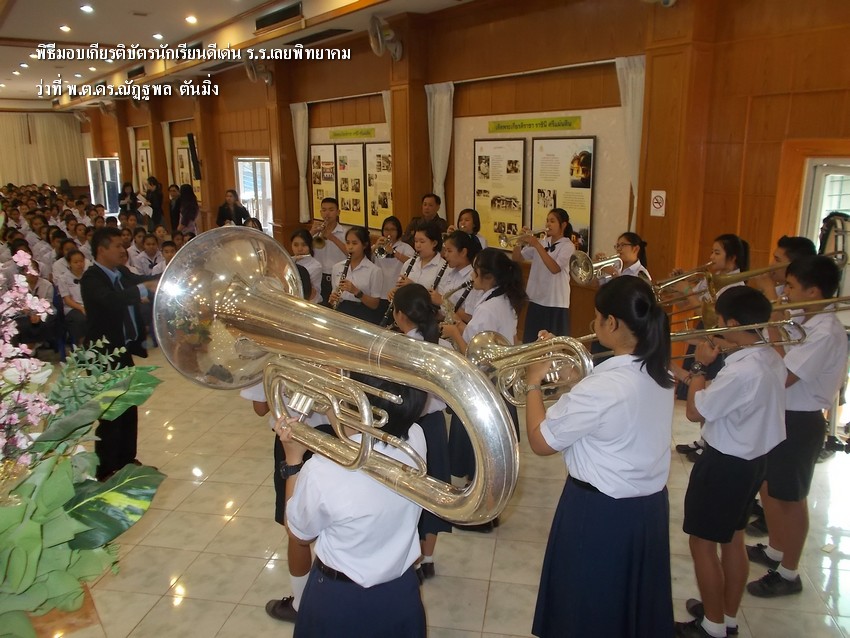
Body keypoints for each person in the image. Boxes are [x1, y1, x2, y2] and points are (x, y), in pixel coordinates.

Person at [524, 275, 674, 638]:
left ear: (613, 323)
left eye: (597, 316)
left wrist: (532, 382)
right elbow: (610, 412)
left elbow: (541, 442)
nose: (593, 323)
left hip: (599, 513)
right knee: (627, 613)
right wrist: (571, 375)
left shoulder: (603, 388)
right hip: (647, 511)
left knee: (586, 612)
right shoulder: (660, 372)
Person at [276, 377, 428, 638]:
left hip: (339, 599)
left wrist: (293, 460)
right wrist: (334, 407)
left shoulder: (322, 470)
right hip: (401, 591)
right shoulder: (415, 437)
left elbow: (298, 534)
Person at [676, 287, 786, 638]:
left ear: (734, 323)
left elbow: (694, 412)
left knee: (702, 543)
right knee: (733, 539)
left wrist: (698, 367)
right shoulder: (770, 355)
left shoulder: (741, 371)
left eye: (721, 322)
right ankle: (726, 617)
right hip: (753, 462)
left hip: (725, 464)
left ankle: (711, 627)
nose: (717, 328)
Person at [746, 255, 848, 598]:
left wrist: (775, 327)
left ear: (813, 291)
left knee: (791, 497)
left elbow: (786, 376)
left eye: (790, 286)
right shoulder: (806, 317)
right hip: (783, 413)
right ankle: (776, 550)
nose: (784, 292)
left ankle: (789, 574)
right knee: (770, 486)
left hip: (801, 418)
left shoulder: (826, 331)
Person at [80, 227, 158, 481]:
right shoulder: (92, 278)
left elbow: (141, 281)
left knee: (128, 406)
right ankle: (105, 469)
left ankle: (126, 460)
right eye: (116, 246)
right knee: (110, 412)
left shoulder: (121, 273)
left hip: (122, 350)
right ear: (101, 249)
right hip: (102, 355)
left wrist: (160, 280)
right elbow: (112, 300)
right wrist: (143, 289)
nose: (122, 250)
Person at [392, 284, 451, 579]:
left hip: (408, 427)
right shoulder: (442, 345)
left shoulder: (400, 349)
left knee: (410, 491)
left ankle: (411, 559)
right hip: (436, 427)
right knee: (433, 490)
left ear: (400, 315)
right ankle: (427, 559)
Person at [512, 208, 575, 341]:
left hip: (555, 301)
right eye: (547, 221)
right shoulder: (542, 242)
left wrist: (537, 245)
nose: (548, 224)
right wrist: (518, 242)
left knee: (553, 344)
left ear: (563, 225)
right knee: (531, 342)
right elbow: (517, 258)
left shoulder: (568, 246)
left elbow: (554, 268)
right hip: (536, 299)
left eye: (552, 221)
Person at [328, 227, 383, 323]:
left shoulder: (374, 271)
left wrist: (356, 291)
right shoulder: (337, 267)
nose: (350, 247)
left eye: (354, 243)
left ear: (365, 245)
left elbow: (375, 304)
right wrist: (332, 299)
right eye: (347, 242)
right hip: (340, 312)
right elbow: (334, 292)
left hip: (363, 314)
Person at [431, 230, 482, 325]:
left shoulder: (473, 278)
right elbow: (444, 314)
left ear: (463, 252)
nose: (445, 255)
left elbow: (469, 317)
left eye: (449, 251)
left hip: (461, 329)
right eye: (445, 250)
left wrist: (443, 302)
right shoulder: (450, 272)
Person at [311, 197, 349, 305]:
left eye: (331, 210)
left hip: (337, 277)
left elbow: (351, 254)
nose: (327, 213)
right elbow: (303, 250)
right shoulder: (316, 231)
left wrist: (332, 237)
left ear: (338, 212)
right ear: (320, 212)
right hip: (318, 277)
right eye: (324, 210)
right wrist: (311, 233)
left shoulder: (345, 233)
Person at [57, 249, 88, 346]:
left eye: (81, 261)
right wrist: (81, 308)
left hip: (89, 306)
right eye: (76, 262)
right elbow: (67, 300)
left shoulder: (89, 276)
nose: (79, 264)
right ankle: (82, 346)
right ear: (69, 263)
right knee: (81, 319)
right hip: (72, 308)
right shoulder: (63, 278)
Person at [290, 229, 323, 304]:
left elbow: (309, 292)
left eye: (304, 245)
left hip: (310, 303)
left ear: (310, 246)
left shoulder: (316, 266)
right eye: (296, 245)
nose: (299, 249)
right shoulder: (289, 260)